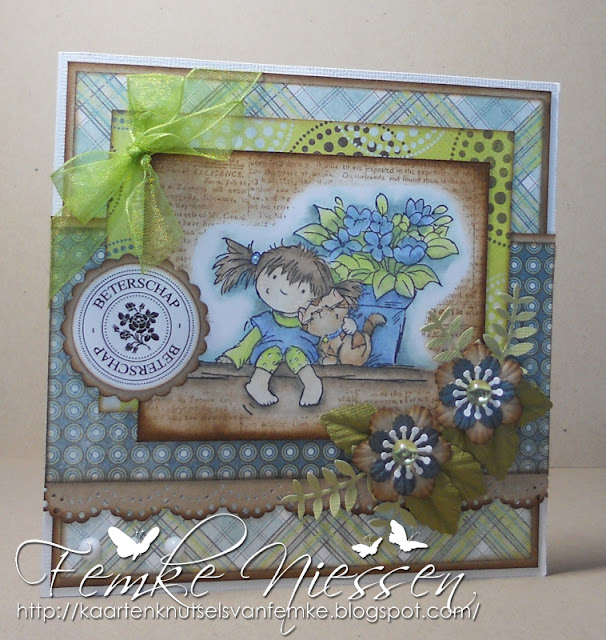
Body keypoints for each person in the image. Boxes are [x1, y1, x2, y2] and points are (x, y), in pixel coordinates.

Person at [213, 239, 334, 406]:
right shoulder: (265, 321)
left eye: (301, 290)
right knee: (273, 352)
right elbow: (247, 343)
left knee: (294, 353)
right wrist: (232, 357)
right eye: (275, 277)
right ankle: (257, 384)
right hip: (268, 357)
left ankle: (312, 384)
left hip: (302, 356)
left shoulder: (310, 321)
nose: (283, 291)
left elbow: (326, 337)